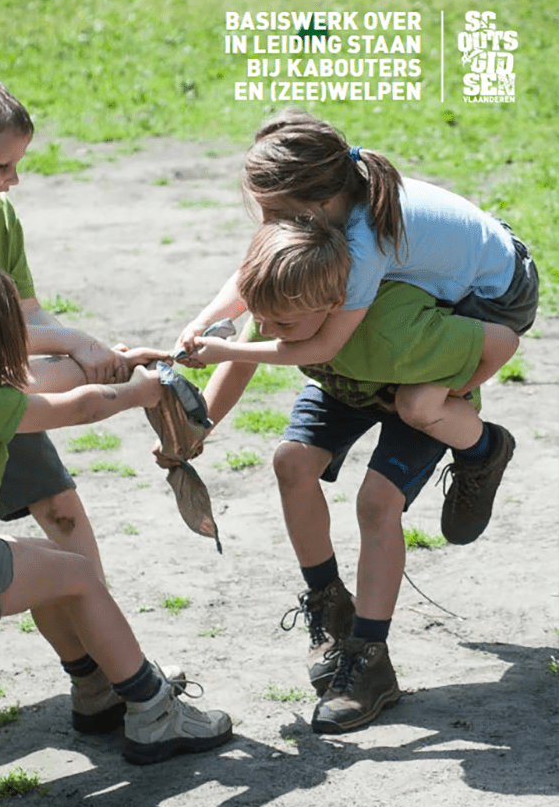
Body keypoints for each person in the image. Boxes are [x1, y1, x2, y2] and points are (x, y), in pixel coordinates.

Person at [163, 227, 519, 735]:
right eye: (263, 320)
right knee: (291, 462)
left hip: (412, 398)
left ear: (336, 306)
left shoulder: (392, 330)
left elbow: (502, 339)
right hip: (342, 389)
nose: (269, 330)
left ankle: (371, 659)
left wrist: (454, 392)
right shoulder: (282, 303)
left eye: (282, 323)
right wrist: (193, 435)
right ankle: (331, 606)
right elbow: (240, 364)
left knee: (376, 503)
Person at [175, 109, 538, 545]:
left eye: (274, 212)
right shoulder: (337, 208)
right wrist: (207, 321)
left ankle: (482, 451)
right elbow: (256, 280)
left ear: (321, 205)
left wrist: (227, 351)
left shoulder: (363, 246)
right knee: (288, 297)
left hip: (497, 294)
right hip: (465, 265)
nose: (268, 223)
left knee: (419, 404)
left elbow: (323, 347)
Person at [0, 250, 232, 764]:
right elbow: (77, 406)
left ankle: (94, 688)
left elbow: (38, 380)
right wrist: (140, 391)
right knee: (78, 575)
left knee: (47, 569)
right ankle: (154, 712)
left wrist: (115, 362)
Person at [0, 72, 166, 729]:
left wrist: (85, 361)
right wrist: (82, 354)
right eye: (2, 165)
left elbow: (20, 323)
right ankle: (119, 681)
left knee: (62, 512)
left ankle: (102, 673)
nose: (13, 180)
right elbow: (26, 361)